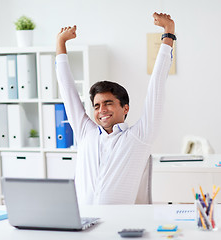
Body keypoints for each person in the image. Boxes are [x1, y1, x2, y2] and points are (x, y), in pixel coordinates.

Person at [55, 12, 175, 204]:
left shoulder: (139, 137)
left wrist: (168, 34)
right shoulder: (86, 132)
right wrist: (60, 43)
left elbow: (157, 85)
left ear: (125, 108)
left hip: (118, 225)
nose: (101, 109)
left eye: (108, 103)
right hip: (81, 223)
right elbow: (67, 90)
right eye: (96, 105)